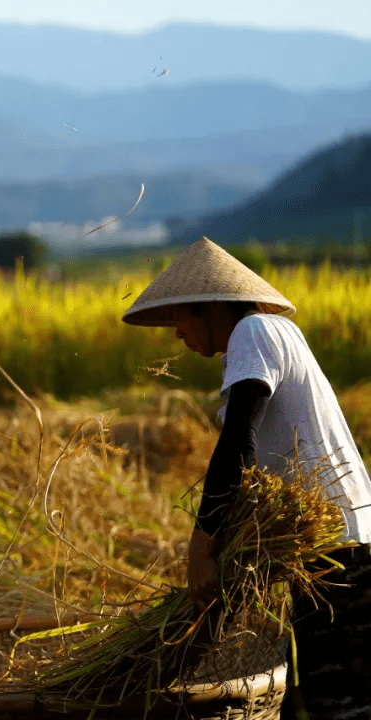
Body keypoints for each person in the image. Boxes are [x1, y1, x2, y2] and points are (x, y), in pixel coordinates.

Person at [122, 237, 371, 720]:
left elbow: (239, 442)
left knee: (343, 707)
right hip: (338, 546)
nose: (176, 332)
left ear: (213, 308)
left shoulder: (253, 332)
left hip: (339, 552)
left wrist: (203, 544)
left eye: (180, 316)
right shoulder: (275, 334)